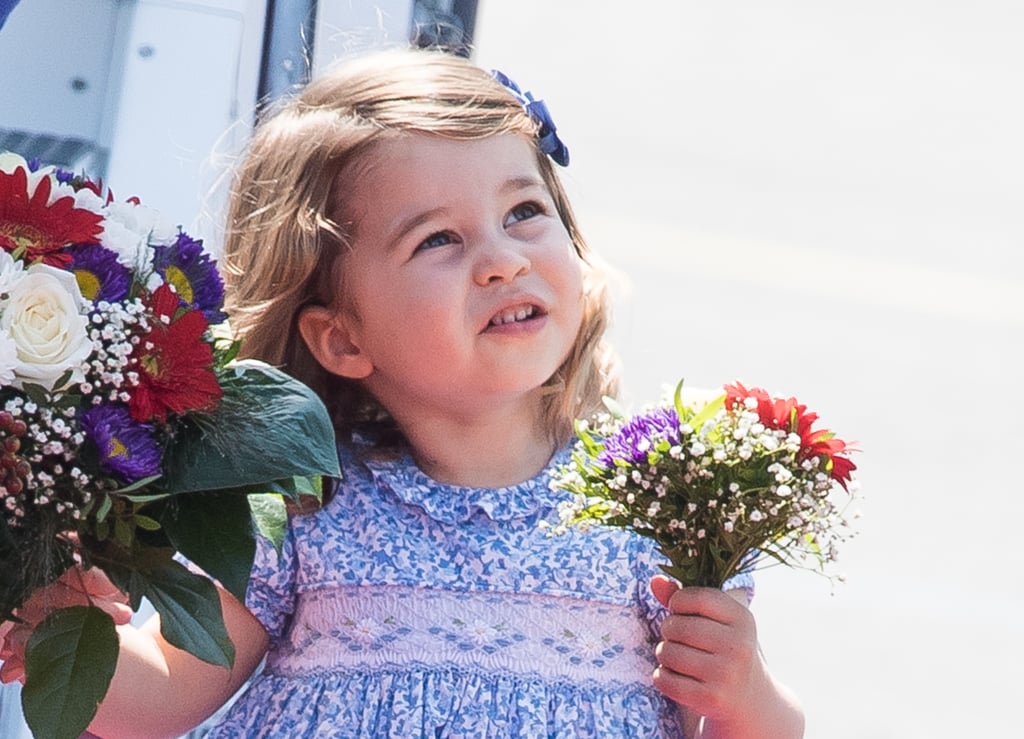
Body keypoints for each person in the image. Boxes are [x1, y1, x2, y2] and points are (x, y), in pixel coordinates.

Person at [0, 47, 804, 738]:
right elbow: (164, 696)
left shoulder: (662, 505)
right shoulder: (300, 506)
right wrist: (43, 609)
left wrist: (748, 693)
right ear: (343, 338)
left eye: (524, 210)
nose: (502, 259)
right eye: (439, 239)